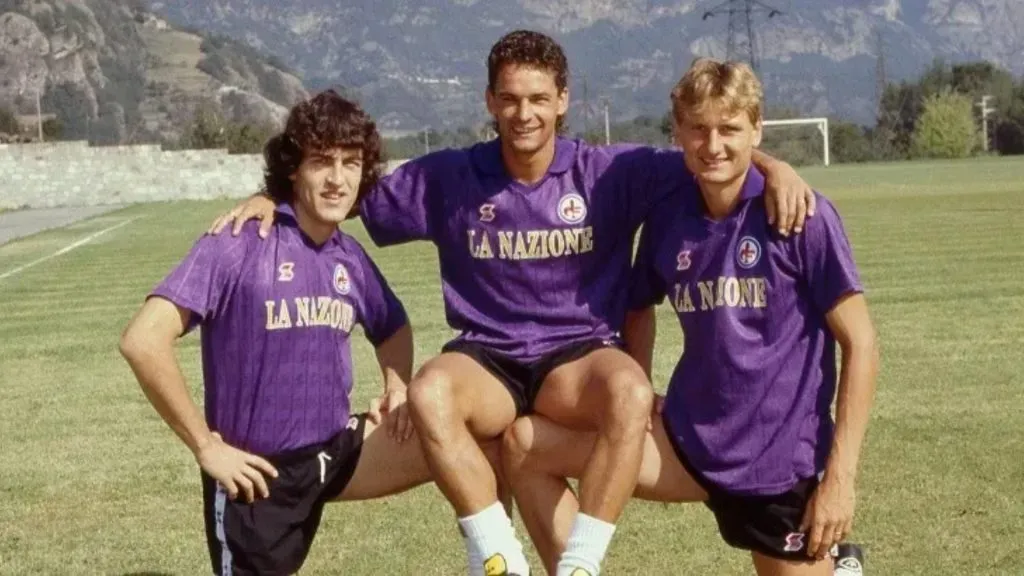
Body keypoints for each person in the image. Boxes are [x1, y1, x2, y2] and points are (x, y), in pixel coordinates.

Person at [207, 31, 817, 576]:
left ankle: (580, 563)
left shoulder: (611, 171)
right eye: (510, 98)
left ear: (562, 100)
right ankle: (497, 556)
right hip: (488, 359)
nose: (524, 112)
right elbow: (343, 184)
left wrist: (775, 167)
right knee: (429, 393)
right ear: (491, 102)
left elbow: (709, 151)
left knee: (630, 391)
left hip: (577, 358)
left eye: (538, 98)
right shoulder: (451, 177)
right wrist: (274, 199)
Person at [500, 57, 878, 576]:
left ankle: (841, 566)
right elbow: (639, 305)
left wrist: (841, 478)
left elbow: (861, 344)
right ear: (678, 133)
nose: (714, 144)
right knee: (526, 445)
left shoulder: (800, 216)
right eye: (698, 129)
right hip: (687, 444)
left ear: (757, 130)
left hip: (778, 465)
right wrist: (637, 384)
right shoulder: (671, 215)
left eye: (730, 129)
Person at [119, 90, 435, 576]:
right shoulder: (240, 241)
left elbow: (392, 326)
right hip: (256, 477)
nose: (337, 179)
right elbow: (143, 341)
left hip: (334, 453)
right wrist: (207, 447)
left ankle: (495, 558)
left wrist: (397, 386)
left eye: (351, 163)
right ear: (294, 168)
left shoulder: (349, 257)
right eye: (321, 161)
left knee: (464, 430)